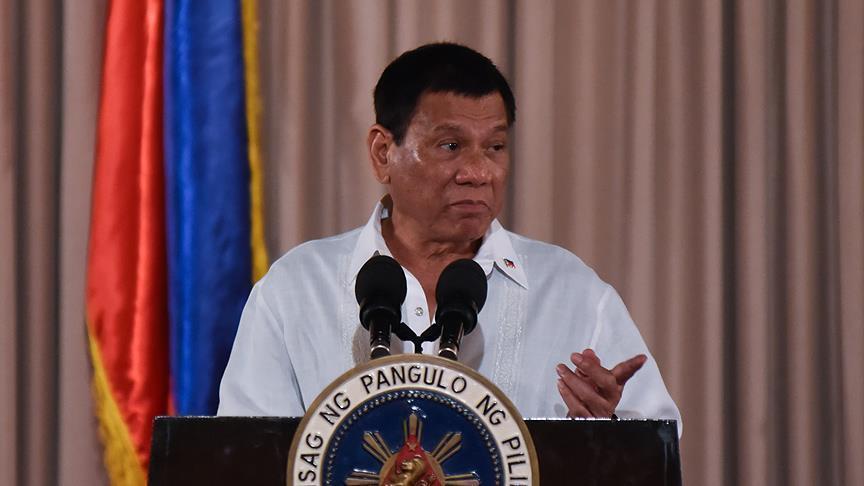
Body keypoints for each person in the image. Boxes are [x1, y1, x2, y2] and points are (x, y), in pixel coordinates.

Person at [217, 43, 681, 432]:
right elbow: (242, 456)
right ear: (383, 153)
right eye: (451, 146)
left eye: (495, 147)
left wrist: (606, 433)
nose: (479, 172)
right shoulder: (296, 289)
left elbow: (659, 451)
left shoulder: (572, 292)